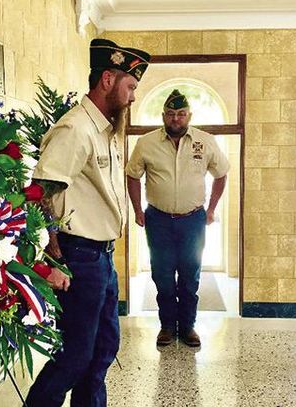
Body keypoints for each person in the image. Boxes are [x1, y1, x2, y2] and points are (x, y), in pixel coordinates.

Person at [25, 39, 150, 407]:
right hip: (78, 257)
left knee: (103, 349)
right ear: (108, 79)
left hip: (101, 258)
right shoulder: (76, 129)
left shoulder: (106, 131)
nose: (132, 97)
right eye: (130, 87)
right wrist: (52, 253)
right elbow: (41, 192)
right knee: (75, 357)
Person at [126, 89, 229, 347]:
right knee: (162, 276)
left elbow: (221, 173)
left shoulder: (205, 141)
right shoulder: (146, 143)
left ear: (189, 116)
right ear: (163, 116)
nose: (176, 119)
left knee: (189, 276)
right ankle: (167, 327)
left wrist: (211, 209)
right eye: (171, 114)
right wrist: (138, 210)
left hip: (193, 221)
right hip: (158, 220)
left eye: (181, 114)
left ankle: (188, 327)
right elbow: (132, 175)